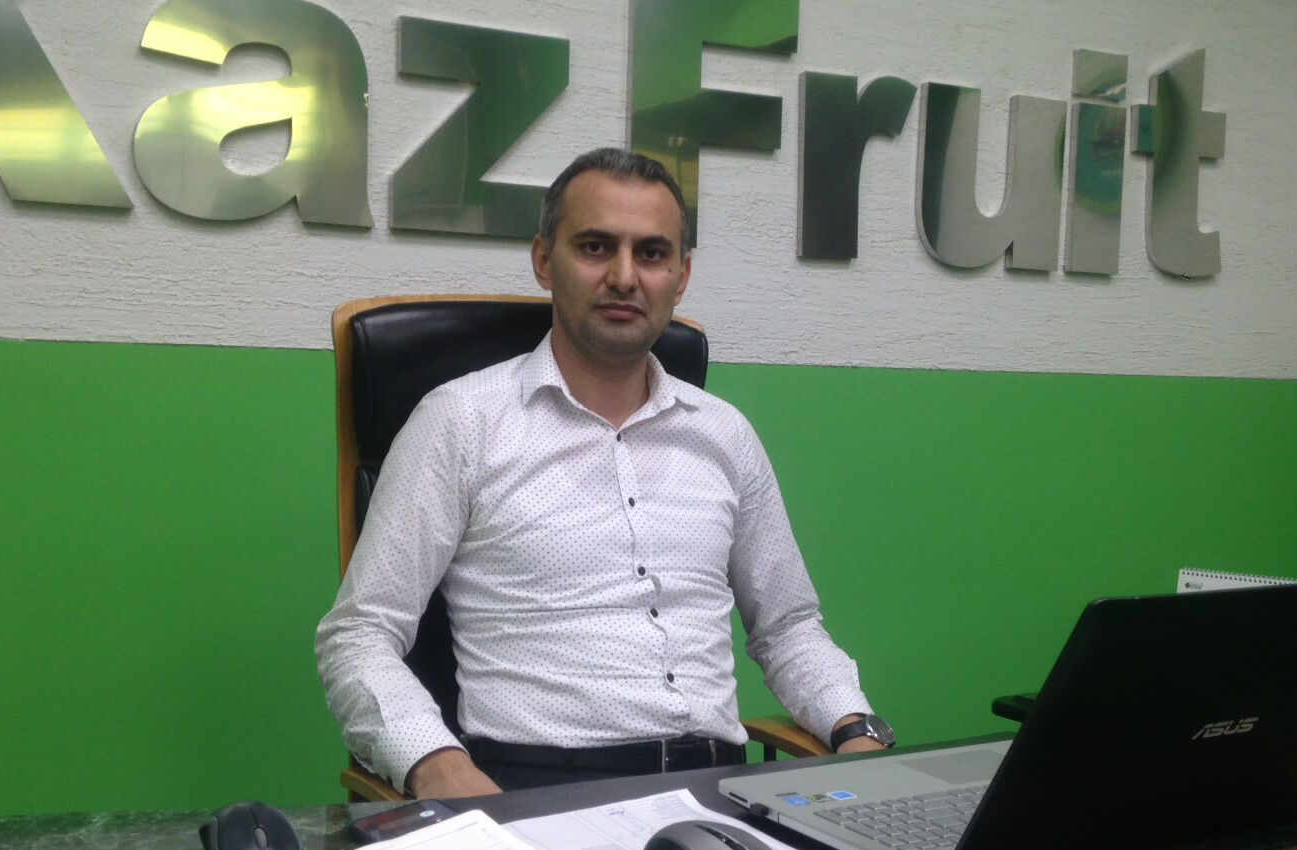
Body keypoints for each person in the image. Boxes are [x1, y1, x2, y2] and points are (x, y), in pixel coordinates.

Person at [316, 147, 892, 798]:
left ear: (681, 275)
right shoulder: (462, 422)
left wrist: (855, 730)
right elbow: (358, 635)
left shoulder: (724, 434)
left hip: (719, 793)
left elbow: (788, 629)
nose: (624, 276)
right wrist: (437, 764)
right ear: (544, 260)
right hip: (537, 793)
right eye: (595, 247)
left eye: (651, 253)